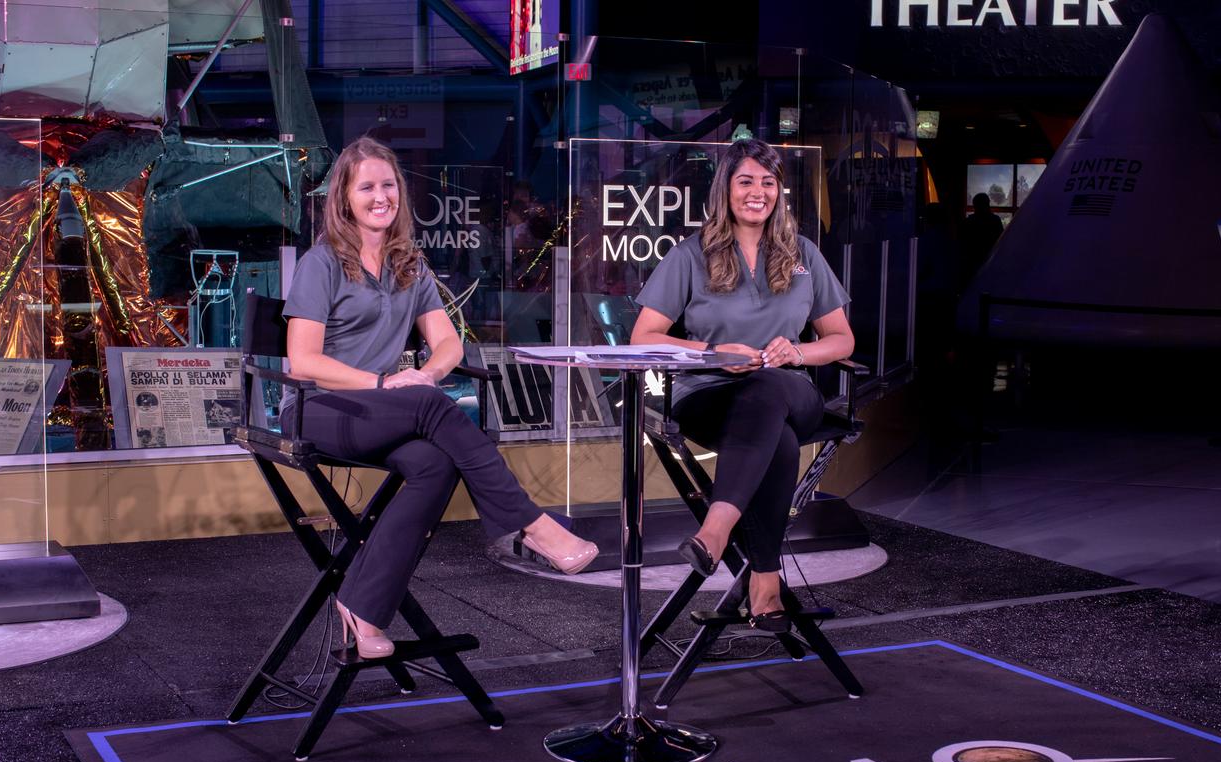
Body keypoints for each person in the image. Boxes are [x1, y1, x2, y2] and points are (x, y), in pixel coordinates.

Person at [283, 136, 598, 658]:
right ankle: (532, 525)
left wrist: (425, 374)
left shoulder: (408, 264)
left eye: (389, 185)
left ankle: (362, 607)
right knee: (431, 407)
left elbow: (449, 343)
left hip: (380, 411)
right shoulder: (323, 263)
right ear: (344, 198)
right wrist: (386, 384)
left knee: (435, 463)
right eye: (367, 187)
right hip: (316, 407)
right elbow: (302, 362)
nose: (380, 196)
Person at [630, 138, 854, 633]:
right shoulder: (691, 255)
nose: (758, 192)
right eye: (746, 181)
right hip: (709, 396)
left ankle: (715, 530)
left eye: (768, 182)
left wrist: (797, 352)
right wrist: (713, 353)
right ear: (725, 189)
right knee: (779, 440)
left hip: (790, 390)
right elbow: (643, 337)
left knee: (768, 387)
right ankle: (765, 585)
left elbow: (841, 339)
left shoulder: (803, 254)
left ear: (780, 191)